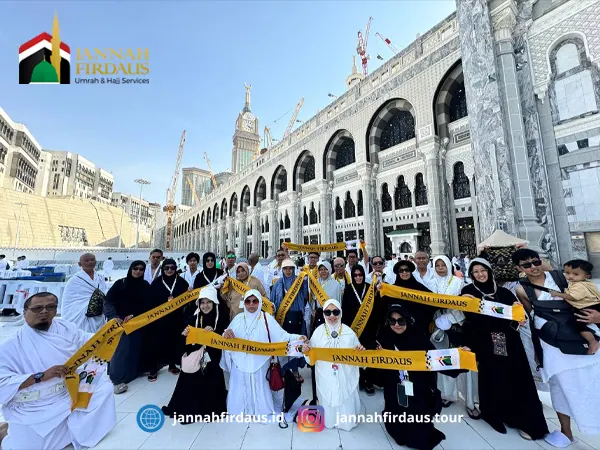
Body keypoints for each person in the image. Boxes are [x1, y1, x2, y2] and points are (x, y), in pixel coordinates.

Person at [0, 292, 115, 450]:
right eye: (37, 308)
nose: (44, 312)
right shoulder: (10, 346)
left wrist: (116, 328)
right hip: (34, 405)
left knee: (104, 387)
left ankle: (77, 431)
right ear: (25, 311)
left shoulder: (65, 328)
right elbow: (2, 383)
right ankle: (5, 434)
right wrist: (41, 376)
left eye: (50, 307)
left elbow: (91, 341)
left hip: (67, 393)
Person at [513, 249, 600, 446]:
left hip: (581, 336)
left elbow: (592, 298)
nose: (533, 267)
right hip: (552, 341)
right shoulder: (521, 289)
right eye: (527, 265)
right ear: (519, 268)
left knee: (592, 382)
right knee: (560, 386)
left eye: (535, 262)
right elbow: (532, 316)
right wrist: (537, 350)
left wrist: (597, 318)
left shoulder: (563, 277)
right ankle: (566, 432)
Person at [462, 258, 548, 440]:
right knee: (492, 378)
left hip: (509, 342)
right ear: (471, 275)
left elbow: (518, 315)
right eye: (475, 272)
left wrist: (518, 314)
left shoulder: (503, 292)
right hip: (485, 342)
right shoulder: (468, 292)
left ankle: (523, 421)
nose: (480, 274)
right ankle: (494, 415)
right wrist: (463, 302)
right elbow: (467, 316)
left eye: (482, 270)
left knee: (516, 379)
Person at [220, 290, 306, 422]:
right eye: (248, 301)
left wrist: (298, 338)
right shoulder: (238, 319)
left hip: (260, 362)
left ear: (259, 302)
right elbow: (227, 337)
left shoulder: (267, 319)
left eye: (255, 301)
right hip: (240, 362)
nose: (251, 305)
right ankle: (241, 410)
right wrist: (226, 334)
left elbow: (282, 336)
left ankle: (261, 410)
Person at [377, 305, 449, 450]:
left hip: (417, 389)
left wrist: (462, 356)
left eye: (401, 321)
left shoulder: (420, 340)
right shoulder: (384, 338)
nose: (396, 325)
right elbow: (373, 366)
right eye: (392, 321)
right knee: (397, 423)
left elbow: (439, 361)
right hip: (394, 390)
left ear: (408, 321)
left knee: (419, 435)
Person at [162, 286, 229, 423]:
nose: (205, 306)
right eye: (202, 303)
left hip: (213, 359)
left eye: (208, 302)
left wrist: (215, 334)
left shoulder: (221, 317)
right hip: (196, 357)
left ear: (214, 302)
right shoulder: (194, 318)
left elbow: (225, 340)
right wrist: (185, 334)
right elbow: (184, 343)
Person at [303, 299, 363, 431]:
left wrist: (359, 351)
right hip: (325, 373)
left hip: (345, 374)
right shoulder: (318, 332)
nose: (332, 316)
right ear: (323, 314)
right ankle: (330, 420)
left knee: (345, 395)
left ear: (340, 313)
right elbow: (310, 357)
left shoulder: (348, 331)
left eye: (335, 312)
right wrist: (307, 351)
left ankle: (346, 422)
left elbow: (358, 355)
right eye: (328, 312)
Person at [428, 256, 478, 416]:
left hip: (457, 326)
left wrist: (451, 318)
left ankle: (470, 400)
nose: (440, 268)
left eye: (443, 265)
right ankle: (448, 395)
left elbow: (465, 304)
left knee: (463, 363)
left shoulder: (457, 283)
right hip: (440, 327)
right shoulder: (431, 283)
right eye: (437, 265)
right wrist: (438, 319)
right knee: (444, 362)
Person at [104, 260, 153, 394]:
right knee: (120, 350)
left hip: (137, 323)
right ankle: (117, 380)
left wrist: (134, 315)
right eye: (135, 268)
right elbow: (108, 301)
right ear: (131, 269)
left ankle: (132, 374)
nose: (138, 271)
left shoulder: (145, 286)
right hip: (120, 323)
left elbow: (149, 305)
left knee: (135, 348)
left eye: (141, 269)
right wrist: (113, 316)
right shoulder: (121, 283)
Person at [341, 263, 382, 396]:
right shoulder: (348, 290)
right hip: (354, 328)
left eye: (360, 275)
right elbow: (345, 310)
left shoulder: (370, 288)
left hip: (369, 328)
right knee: (357, 354)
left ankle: (369, 381)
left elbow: (376, 307)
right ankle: (358, 380)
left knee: (369, 354)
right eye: (355, 275)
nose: (358, 277)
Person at [146, 258, 189, 381]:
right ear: (162, 269)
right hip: (160, 319)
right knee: (157, 343)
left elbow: (188, 300)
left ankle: (172, 364)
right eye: (166, 268)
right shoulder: (156, 283)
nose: (169, 270)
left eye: (172, 268)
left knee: (174, 342)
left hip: (177, 318)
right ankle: (153, 368)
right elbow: (151, 301)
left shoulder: (182, 282)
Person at [547, 259, 600, 355]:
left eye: (575, 274)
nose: (570, 276)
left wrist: (558, 294)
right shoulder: (587, 283)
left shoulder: (579, 286)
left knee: (577, 324)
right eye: (567, 273)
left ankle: (592, 342)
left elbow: (573, 297)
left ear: (587, 276)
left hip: (588, 307)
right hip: (595, 306)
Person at [271, 259, 309, 382]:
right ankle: (283, 370)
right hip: (282, 320)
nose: (288, 271)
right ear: (282, 270)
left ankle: (295, 370)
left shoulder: (300, 281)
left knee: (296, 345)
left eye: (290, 268)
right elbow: (273, 301)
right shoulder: (278, 283)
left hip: (296, 318)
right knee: (285, 345)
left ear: (294, 269)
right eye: (285, 269)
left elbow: (305, 298)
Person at [379, 260, 436, 336]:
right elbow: (383, 305)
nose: (404, 273)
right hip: (398, 329)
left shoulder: (419, 287)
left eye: (407, 270)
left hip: (417, 329)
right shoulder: (393, 289)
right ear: (398, 273)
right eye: (401, 271)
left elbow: (433, 300)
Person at [61, 253, 108, 333]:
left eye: (92, 260)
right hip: (80, 314)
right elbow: (70, 301)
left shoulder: (100, 278)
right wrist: (87, 305)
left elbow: (104, 293)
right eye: (86, 260)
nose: (90, 262)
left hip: (99, 314)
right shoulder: (74, 280)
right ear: (80, 264)